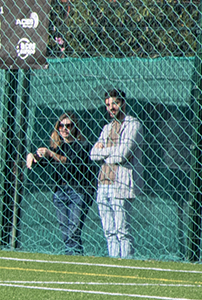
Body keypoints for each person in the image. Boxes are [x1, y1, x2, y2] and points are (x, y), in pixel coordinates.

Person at [24, 113, 92, 255]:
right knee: (65, 231)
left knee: (74, 230)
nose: (64, 129)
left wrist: (50, 154)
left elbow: (72, 163)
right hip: (60, 191)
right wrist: (33, 156)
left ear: (75, 127)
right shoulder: (56, 147)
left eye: (68, 126)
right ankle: (74, 258)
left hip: (78, 191)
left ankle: (73, 258)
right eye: (61, 126)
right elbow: (43, 161)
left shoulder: (82, 145)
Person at [91, 89, 141, 259]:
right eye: (108, 105)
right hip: (103, 183)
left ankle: (126, 263)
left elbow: (122, 154)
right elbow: (93, 154)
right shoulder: (107, 128)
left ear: (123, 104)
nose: (111, 108)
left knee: (122, 230)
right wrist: (111, 152)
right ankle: (114, 262)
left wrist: (104, 151)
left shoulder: (133, 124)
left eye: (114, 103)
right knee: (109, 231)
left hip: (120, 184)